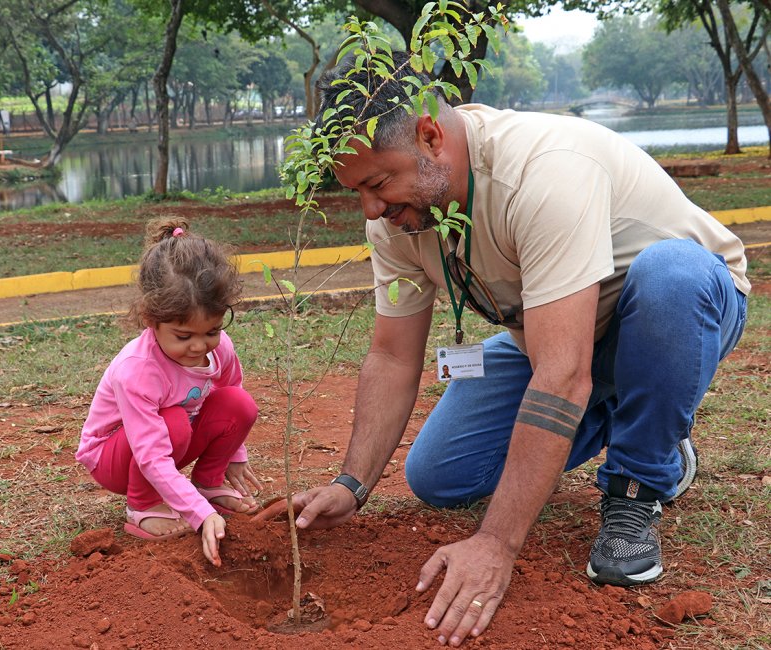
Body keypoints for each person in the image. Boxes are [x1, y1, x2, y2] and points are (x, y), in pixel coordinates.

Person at [292, 52, 749, 646]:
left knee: (672, 276)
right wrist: (351, 484)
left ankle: (641, 475)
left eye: (378, 185)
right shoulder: (400, 219)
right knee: (440, 475)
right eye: (358, 191)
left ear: (430, 136)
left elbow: (562, 376)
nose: (371, 209)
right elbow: (393, 355)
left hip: (677, 313)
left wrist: (495, 543)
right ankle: (647, 422)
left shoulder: (544, 170)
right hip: (551, 340)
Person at [76, 218, 262, 567]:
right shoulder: (138, 370)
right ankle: (142, 505)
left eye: (211, 331)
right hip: (115, 457)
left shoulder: (219, 350)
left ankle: (207, 484)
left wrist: (234, 454)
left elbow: (231, 392)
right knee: (173, 420)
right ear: (151, 319)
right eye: (183, 336)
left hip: (171, 438)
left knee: (239, 403)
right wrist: (199, 514)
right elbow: (150, 453)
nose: (198, 346)